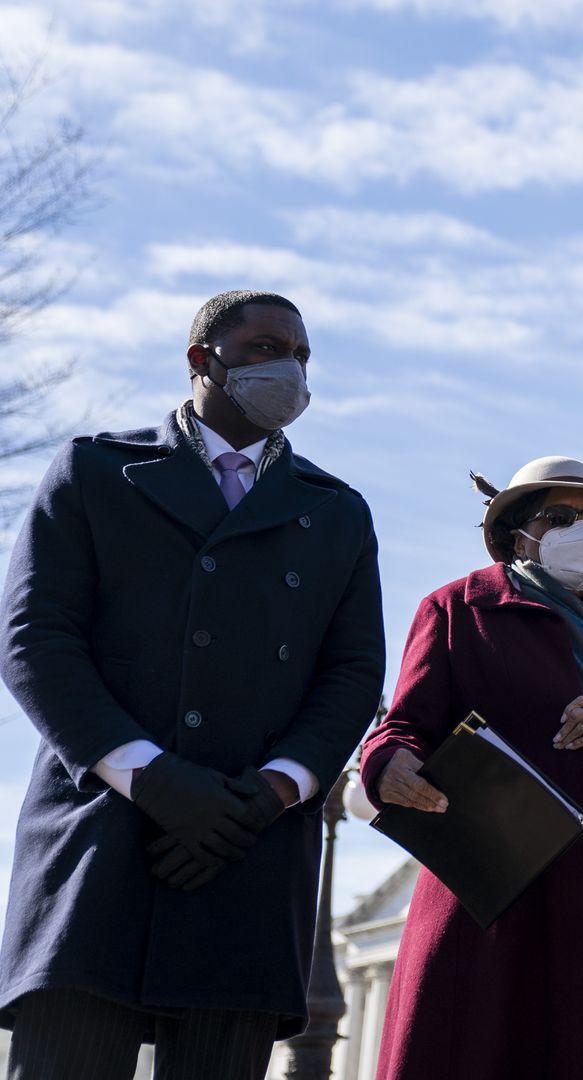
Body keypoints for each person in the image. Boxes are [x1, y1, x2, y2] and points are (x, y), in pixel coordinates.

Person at [0, 290, 385, 1079]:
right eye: (266, 347)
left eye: (303, 356)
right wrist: (151, 778)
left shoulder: (337, 512)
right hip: (101, 839)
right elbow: (35, 638)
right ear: (201, 359)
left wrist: (272, 794)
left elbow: (353, 674)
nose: (289, 367)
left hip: (249, 853)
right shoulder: (95, 471)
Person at [359, 456, 583, 1080]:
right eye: (561, 517)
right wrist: (389, 766)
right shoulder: (456, 611)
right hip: (499, 894)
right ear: (519, 531)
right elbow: (402, 725)